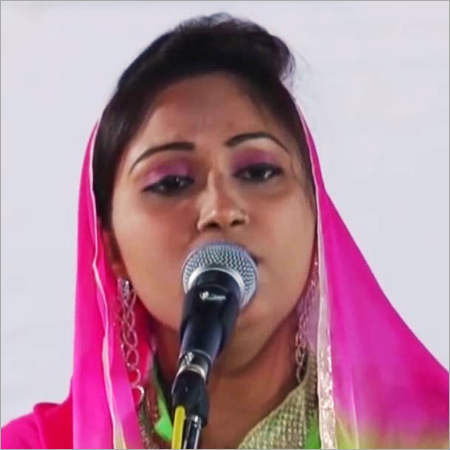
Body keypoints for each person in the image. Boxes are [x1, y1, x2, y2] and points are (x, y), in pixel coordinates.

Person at [1, 13, 448, 449]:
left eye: (258, 172)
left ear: (316, 218)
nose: (220, 210)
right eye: (171, 183)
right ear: (111, 246)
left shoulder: (426, 436)